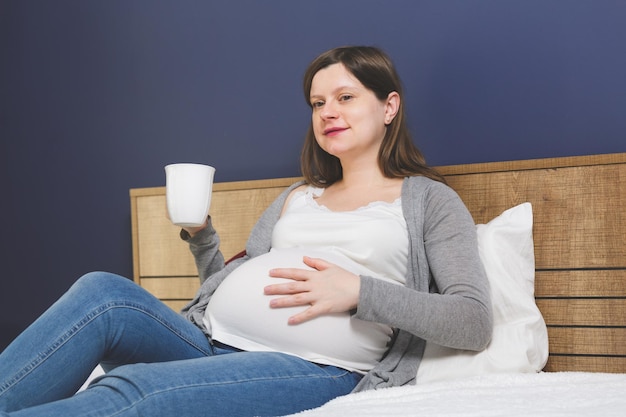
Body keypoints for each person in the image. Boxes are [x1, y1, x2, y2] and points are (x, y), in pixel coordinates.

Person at [0, 46, 492, 417]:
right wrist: (202, 236)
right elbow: (230, 283)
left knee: (135, 389)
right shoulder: (298, 196)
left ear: (389, 107)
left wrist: (359, 292)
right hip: (212, 340)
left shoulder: (428, 201)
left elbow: (472, 321)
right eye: (317, 102)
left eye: (345, 97)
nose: (327, 112)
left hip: (315, 365)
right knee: (102, 293)